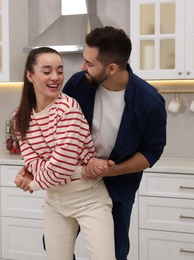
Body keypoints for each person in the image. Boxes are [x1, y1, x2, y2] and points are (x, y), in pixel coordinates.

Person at [62, 26, 167, 260]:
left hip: (117, 188)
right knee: (57, 247)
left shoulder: (149, 101)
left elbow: (152, 152)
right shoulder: (78, 84)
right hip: (74, 182)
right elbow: (59, 128)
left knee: (114, 254)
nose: (82, 67)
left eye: (89, 63)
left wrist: (113, 171)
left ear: (112, 68)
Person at [12, 46, 115, 260]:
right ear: (30, 75)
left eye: (59, 71)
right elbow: (33, 162)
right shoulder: (20, 116)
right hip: (55, 201)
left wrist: (33, 184)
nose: (55, 77)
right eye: (47, 71)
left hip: (89, 199)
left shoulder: (68, 109)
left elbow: (60, 166)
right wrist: (79, 170)